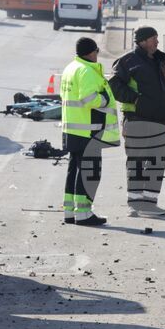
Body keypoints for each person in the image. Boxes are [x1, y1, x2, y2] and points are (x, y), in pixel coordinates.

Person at [109, 26, 165, 217]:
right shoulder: (128, 61)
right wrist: (135, 99)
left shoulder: (160, 61)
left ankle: (150, 203)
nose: (157, 42)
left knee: (156, 162)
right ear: (142, 41)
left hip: (161, 121)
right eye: (153, 38)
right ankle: (136, 203)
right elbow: (114, 85)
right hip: (137, 119)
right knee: (137, 162)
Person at [60, 37, 120, 226]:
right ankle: (84, 213)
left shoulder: (71, 68)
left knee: (74, 170)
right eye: (96, 51)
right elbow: (88, 99)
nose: (97, 55)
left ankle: (70, 212)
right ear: (91, 52)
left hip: (73, 128)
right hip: (88, 130)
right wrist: (104, 98)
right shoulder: (86, 71)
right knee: (89, 171)